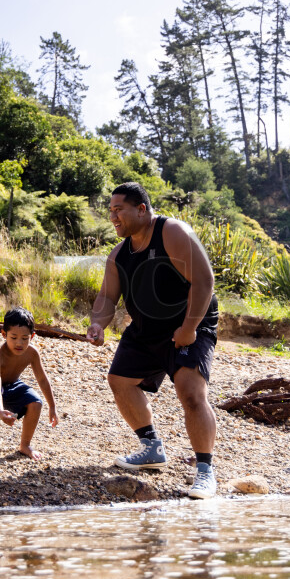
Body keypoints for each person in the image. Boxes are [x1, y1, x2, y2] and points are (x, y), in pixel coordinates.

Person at [86, 182, 219, 499]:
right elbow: (107, 297)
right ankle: (151, 449)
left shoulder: (172, 232)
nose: (113, 217)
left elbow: (204, 282)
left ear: (141, 209)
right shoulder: (118, 254)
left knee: (190, 393)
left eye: (119, 210)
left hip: (189, 321)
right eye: (110, 211)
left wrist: (189, 329)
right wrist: (97, 324)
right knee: (120, 380)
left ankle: (204, 471)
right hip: (146, 328)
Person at [0, 307, 59, 460]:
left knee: (36, 402)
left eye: (25, 338)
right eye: (13, 337)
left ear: (32, 336)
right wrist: (0, 410)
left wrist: (52, 406)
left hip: (12, 384)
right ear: (4, 334)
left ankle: (25, 445)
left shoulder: (32, 353)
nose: (19, 343)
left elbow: (42, 379)